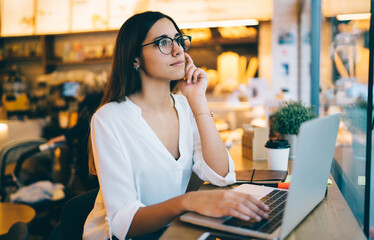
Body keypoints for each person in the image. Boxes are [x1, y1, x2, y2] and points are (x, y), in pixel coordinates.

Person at [83, 11, 269, 240]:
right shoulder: (109, 118)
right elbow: (123, 223)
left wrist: (197, 99)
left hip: (172, 231)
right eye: (163, 42)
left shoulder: (184, 105)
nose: (178, 49)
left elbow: (222, 175)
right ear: (135, 58)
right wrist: (188, 202)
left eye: (179, 40)